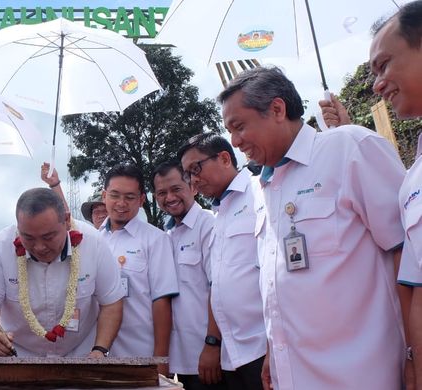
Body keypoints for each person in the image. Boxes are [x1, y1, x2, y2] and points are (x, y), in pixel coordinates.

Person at [219, 66, 406, 389]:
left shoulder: (348, 149)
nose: (235, 142)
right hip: (294, 375)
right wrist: (273, 351)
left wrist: (416, 351)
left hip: (363, 375)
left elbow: (409, 254)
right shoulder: (264, 188)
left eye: (239, 126)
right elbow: (282, 285)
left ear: (277, 109)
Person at [0, 188, 123, 357]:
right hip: (19, 356)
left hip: (81, 355)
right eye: (28, 238)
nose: (39, 247)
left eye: (48, 237)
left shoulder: (94, 242)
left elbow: (111, 303)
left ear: (66, 221)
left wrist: (100, 349)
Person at [178, 134, 266, 390]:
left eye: (196, 168)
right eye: (188, 174)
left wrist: (275, 345)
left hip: (263, 346)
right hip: (233, 353)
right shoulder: (219, 214)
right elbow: (218, 286)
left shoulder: (259, 192)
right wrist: (214, 343)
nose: (193, 179)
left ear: (225, 158)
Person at [369, 2, 422, 388]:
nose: (376, 84)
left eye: (384, 64)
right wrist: (412, 363)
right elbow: (414, 288)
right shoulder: (412, 178)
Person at [98, 164, 178, 375]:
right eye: (115, 195)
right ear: (104, 195)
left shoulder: (155, 240)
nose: (121, 204)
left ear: (142, 200)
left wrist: (160, 359)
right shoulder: (93, 240)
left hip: (139, 355)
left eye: (130, 197)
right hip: (96, 357)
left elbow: (162, 300)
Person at [152, 161, 225, 390]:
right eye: (162, 193)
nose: (169, 197)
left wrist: (213, 344)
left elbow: (219, 288)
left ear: (192, 187)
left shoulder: (209, 226)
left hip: (207, 357)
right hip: (179, 359)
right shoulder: (165, 235)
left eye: (176, 189)